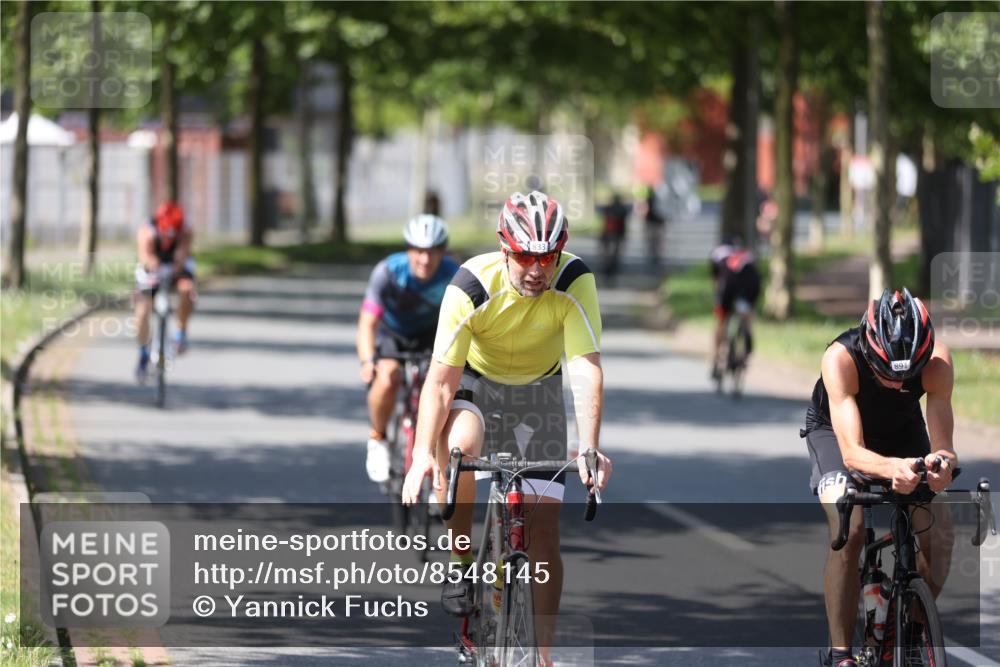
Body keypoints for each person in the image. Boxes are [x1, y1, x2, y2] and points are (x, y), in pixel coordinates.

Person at [401, 190, 613, 667]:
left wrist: (589, 447)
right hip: (476, 380)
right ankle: (461, 567)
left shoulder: (575, 279)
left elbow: (584, 366)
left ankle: (542, 654)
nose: (537, 269)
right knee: (460, 451)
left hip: (538, 388)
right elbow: (438, 383)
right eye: (524, 256)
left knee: (545, 535)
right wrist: (419, 458)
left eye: (547, 257)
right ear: (504, 248)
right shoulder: (472, 285)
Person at [802, 288, 957, 667]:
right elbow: (853, 451)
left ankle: (913, 628)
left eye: (903, 375)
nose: (892, 384)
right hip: (837, 435)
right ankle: (841, 655)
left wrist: (941, 468)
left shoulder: (937, 363)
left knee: (940, 537)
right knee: (849, 529)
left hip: (902, 431)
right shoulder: (840, 358)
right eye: (883, 371)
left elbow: (944, 447)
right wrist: (892, 469)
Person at [358, 214, 459, 484]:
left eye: (433, 252)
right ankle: (378, 438)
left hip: (432, 334)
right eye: (419, 251)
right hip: (394, 333)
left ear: (442, 252)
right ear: (408, 250)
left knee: (442, 388)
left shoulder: (453, 274)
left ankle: (438, 466)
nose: (425, 260)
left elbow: (468, 321)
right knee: (388, 376)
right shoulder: (388, 272)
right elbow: (367, 323)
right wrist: (368, 362)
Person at [134, 201, 196, 381]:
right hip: (152, 266)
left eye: (172, 235)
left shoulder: (186, 231)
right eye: (165, 234)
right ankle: (143, 354)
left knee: (187, 289)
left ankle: (180, 334)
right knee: (142, 311)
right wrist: (153, 267)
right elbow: (145, 256)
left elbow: (183, 255)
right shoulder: (147, 231)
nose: (169, 239)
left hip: (176, 265)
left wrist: (176, 267)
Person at [708, 236, 761, 380]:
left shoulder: (718, 253)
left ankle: (716, 359)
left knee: (721, 320)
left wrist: (720, 298)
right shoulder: (747, 254)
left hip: (728, 286)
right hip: (750, 284)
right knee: (746, 312)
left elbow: (716, 279)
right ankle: (747, 334)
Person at [599, 193, 630, 280]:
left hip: (607, 233)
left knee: (607, 252)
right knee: (614, 253)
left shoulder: (608, 208)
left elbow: (604, 222)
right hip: (617, 234)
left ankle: (608, 268)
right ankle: (612, 268)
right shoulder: (622, 209)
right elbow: (624, 223)